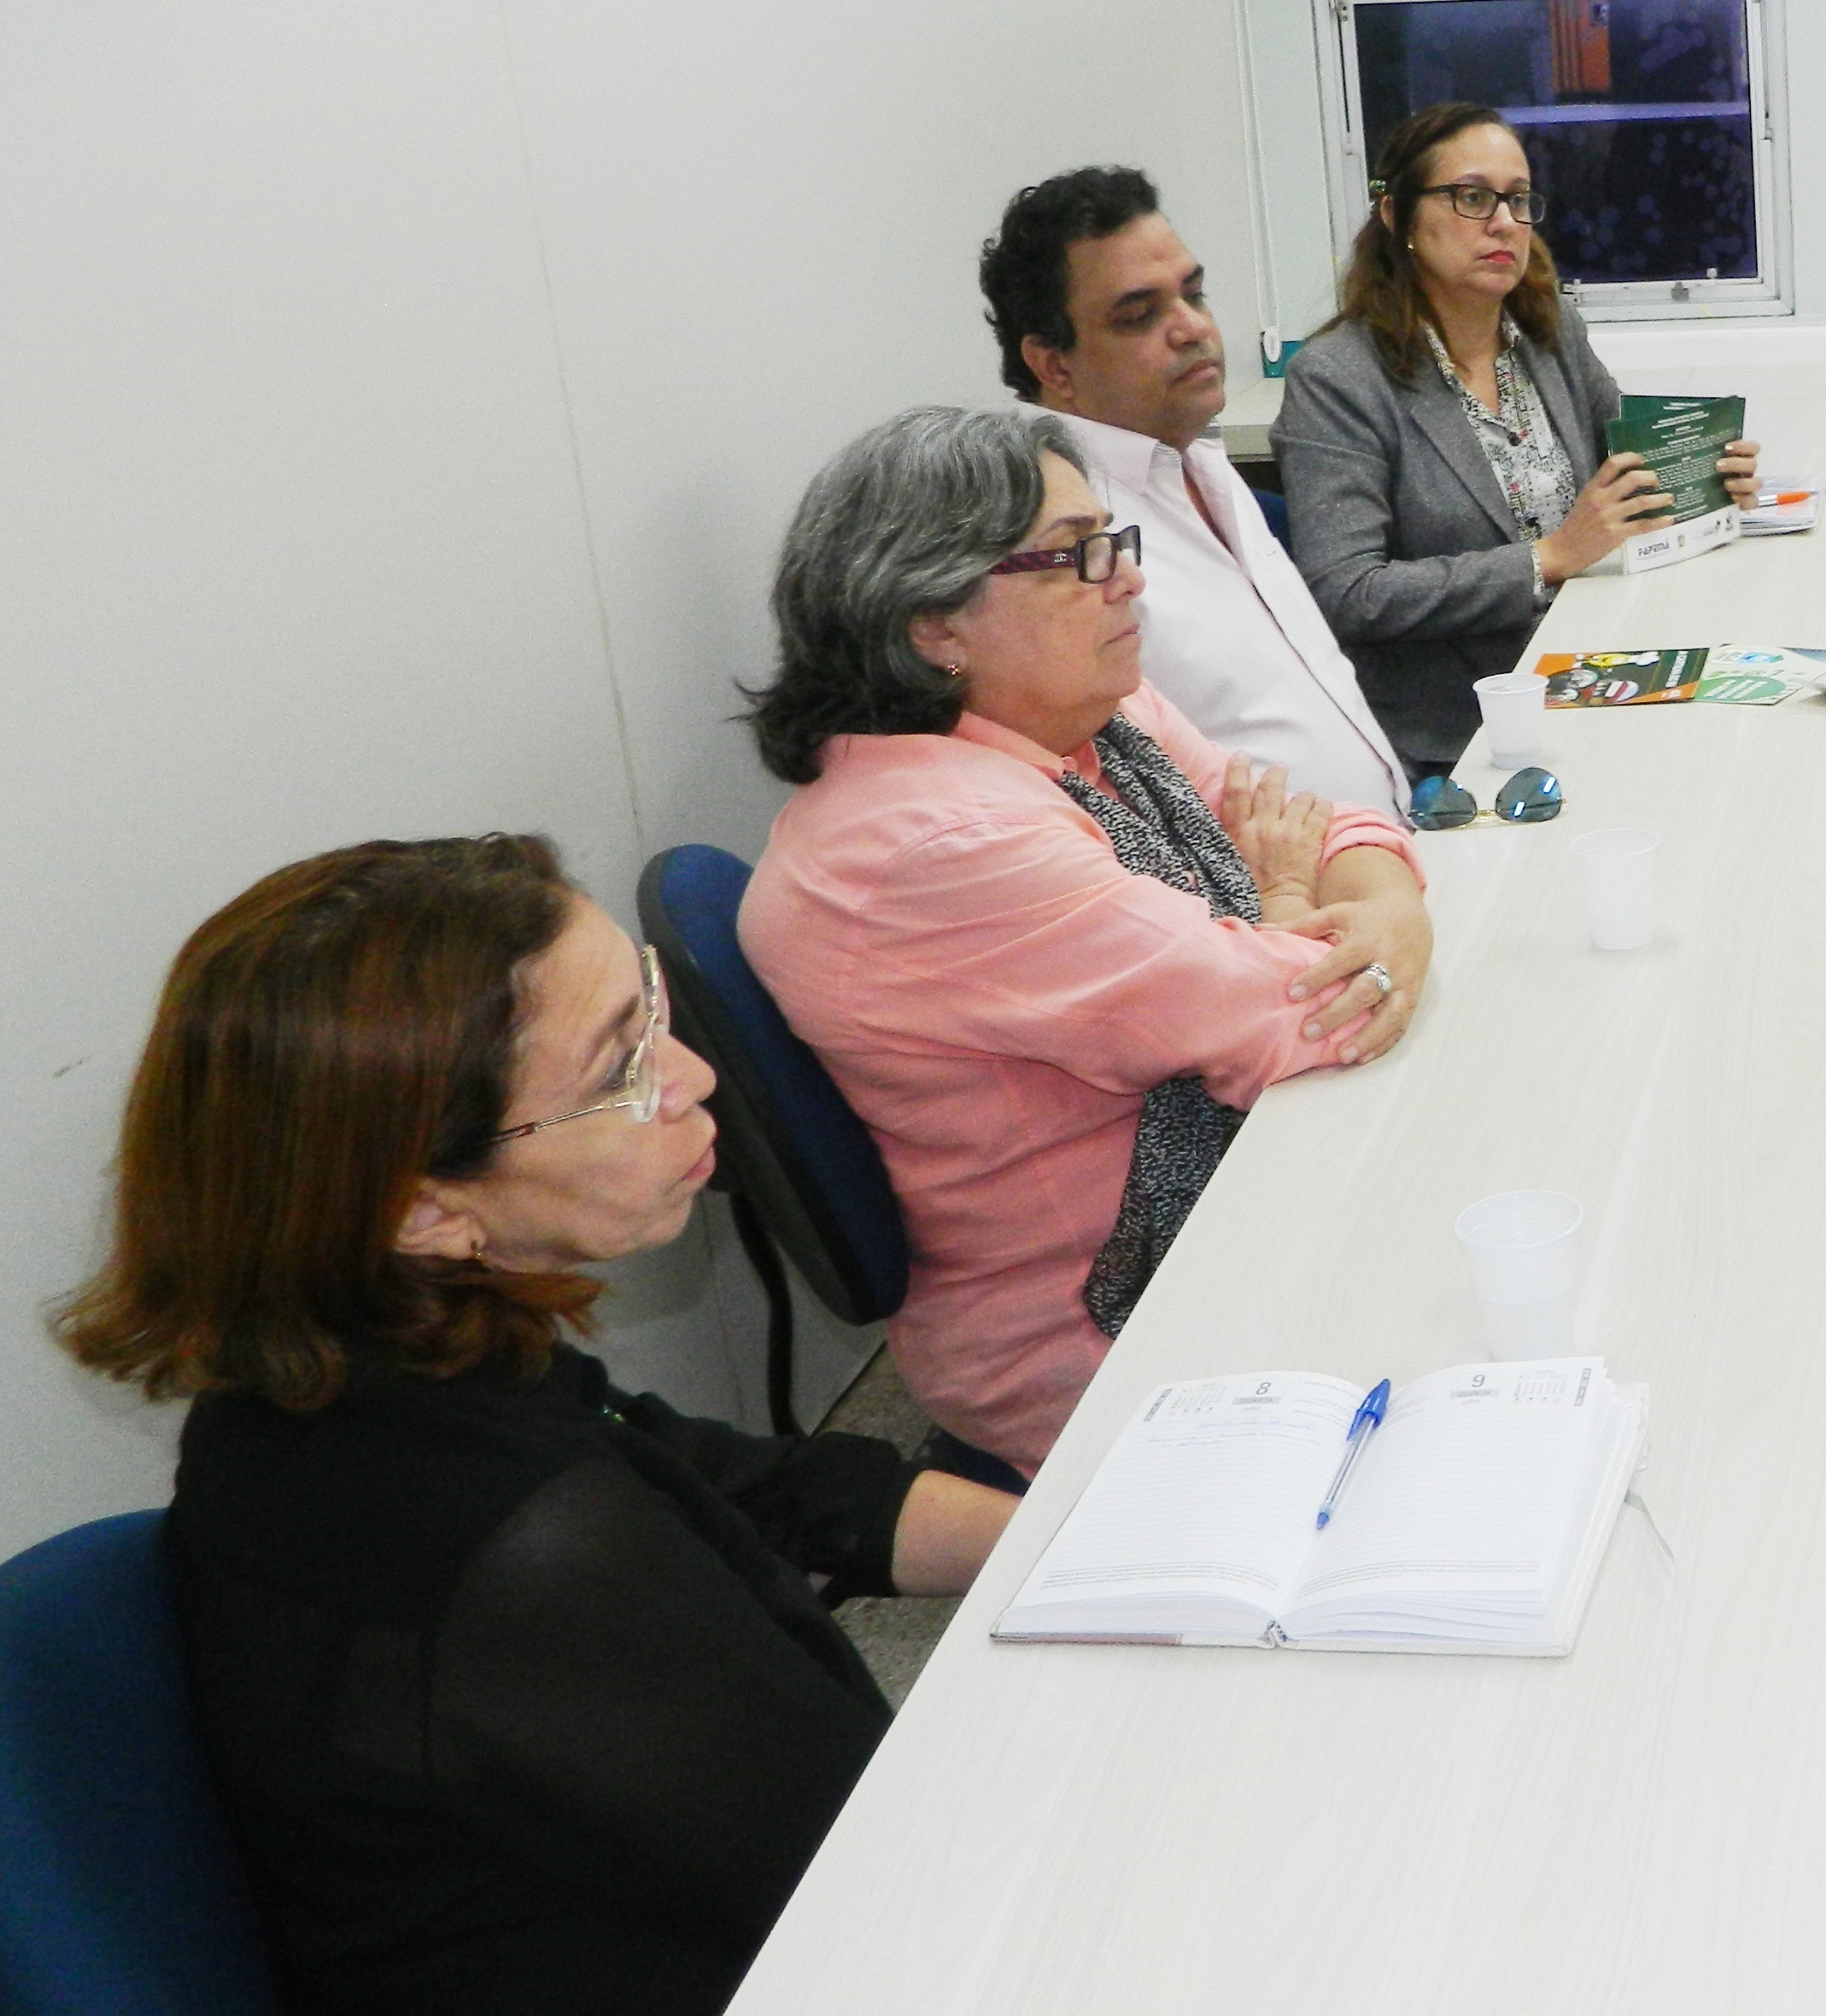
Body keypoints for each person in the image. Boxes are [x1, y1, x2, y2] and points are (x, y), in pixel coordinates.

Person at [50, 834, 1020, 2016]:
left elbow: (719, 1472)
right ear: (425, 1209)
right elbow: (883, 1874)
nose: (694, 1074)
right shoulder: (521, 1562)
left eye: (650, 1011)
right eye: (620, 1063)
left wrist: (1067, 1535)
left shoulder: (339, 1369)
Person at [738, 407, 1430, 1470]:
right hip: (1110, 1328)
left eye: (1119, 543)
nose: (1129, 581)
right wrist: (1297, 908)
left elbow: (1330, 829)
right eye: (1077, 558)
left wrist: (1380, 911)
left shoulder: (1088, 713)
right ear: (936, 624)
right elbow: (1294, 1014)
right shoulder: (935, 842)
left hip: (1246, 1190)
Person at [1273, 101, 1759, 777]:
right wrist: (1547, 558)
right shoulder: (1338, 379)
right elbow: (1349, 593)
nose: (1504, 222)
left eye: (1519, 200)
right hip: (1459, 732)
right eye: (1471, 197)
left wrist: (1707, 477)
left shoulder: (1548, 332)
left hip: (1595, 664)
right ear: (1397, 217)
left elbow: (1628, 477)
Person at [980, 165, 1409, 818]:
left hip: (1378, 856)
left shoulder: (1197, 459)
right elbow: (1104, 798)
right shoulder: (1054, 540)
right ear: (1053, 364)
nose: (1192, 328)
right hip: (1269, 900)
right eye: (1139, 315)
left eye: (1194, 293)